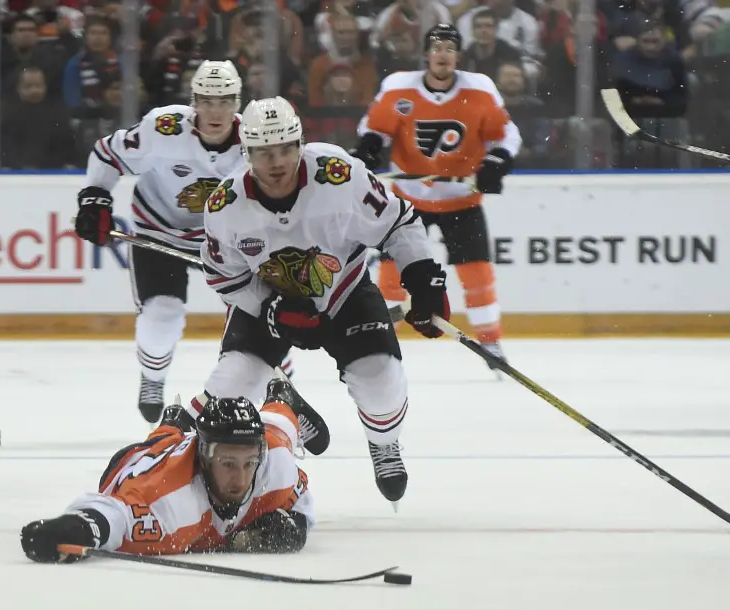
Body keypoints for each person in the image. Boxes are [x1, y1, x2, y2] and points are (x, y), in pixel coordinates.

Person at [191, 96, 449, 509]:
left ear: (300, 144)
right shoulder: (225, 207)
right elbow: (227, 278)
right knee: (228, 392)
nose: (276, 162)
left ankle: (383, 442)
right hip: (271, 300)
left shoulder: (340, 174)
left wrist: (422, 278)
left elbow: (398, 222)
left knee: (381, 382)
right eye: (263, 153)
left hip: (344, 291)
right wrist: (272, 311)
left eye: (284, 149)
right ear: (247, 154)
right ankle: (277, 410)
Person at [73, 60, 292, 425]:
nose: (215, 111)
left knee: (264, 315)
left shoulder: (256, 141)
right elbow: (107, 154)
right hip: (159, 230)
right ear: (193, 102)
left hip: (225, 242)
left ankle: (280, 396)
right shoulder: (162, 129)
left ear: (237, 103)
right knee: (162, 316)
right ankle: (153, 377)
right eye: (206, 101)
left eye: (224, 101)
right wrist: (96, 197)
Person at [353, 24, 521, 371]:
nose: (442, 54)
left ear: (457, 56)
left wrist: (495, 161)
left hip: (462, 200)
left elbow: (506, 136)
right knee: (391, 274)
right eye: (436, 47)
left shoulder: (479, 89)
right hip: (408, 201)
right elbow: (375, 127)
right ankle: (380, 343)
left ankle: (491, 344)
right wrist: (370, 145)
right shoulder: (399, 87)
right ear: (427, 54)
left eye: (449, 48)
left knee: (477, 275)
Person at [20, 373, 328, 560]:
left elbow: (300, 498)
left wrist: (297, 526)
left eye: (249, 462)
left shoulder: (273, 462)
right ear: (204, 457)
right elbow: (114, 516)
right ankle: (171, 426)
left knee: (278, 428)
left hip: (226, 444)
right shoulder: (170, 502)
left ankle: (280, 397)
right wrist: (74, 529)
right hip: (139, 461)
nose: (241, 477)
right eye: (228, 463)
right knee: (161, 442)